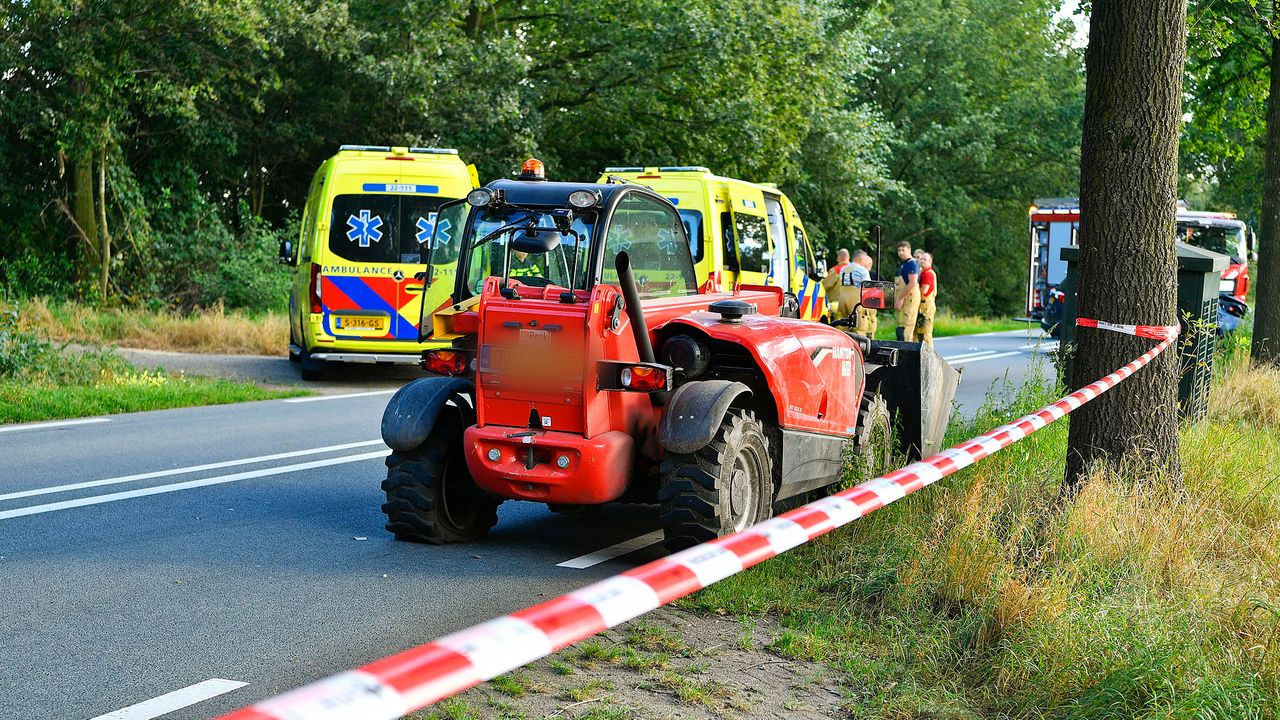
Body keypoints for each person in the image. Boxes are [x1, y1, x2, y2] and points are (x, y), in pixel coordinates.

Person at [894, 241, 920, 341]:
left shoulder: (912, 264)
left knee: (907, 328)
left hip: (909, 299)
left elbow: (912, 282)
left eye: (903, 250)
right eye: (899, 250)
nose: (900, 252)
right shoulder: (904, 264)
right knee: (901, 327)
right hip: (904, 300)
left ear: (909, 250)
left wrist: (900, 298)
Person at [822, 248, 853, 320]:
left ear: (838, 258)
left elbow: (824, 286)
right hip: (852, 306)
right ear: (848, 257)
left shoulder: (836, 270)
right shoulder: (857, 271)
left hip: (836, 306)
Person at [915, 252, 937, 346]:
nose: (922, 261)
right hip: (923, 305)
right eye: (921, 259)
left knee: (925, 333)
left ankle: (929, 356)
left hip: (926, 306)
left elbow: (924, 290)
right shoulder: (923, 272)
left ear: (930, 261)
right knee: (920, 332)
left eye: (925, 259)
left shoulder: (928, 273)